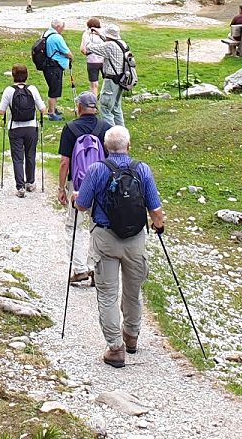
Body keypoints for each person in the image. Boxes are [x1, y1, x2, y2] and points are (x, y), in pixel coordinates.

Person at [73, 125, 165, 369]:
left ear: (105, 147)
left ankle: (115, 348)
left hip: (105, 238)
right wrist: (159, 226)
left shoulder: (96, 169)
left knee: (107, 294)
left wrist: (75, 197)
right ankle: (131, 336)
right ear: (129, 146)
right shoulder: (142, 169)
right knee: (133, 291)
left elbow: (82, 205)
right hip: (135, 240)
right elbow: (155, 210)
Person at [56, 91, 109, 285]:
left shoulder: (70, 128)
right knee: (97, 224)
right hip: (101, 183)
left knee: (74, 225)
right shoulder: (105, 127)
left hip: (77, 184)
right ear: (95, 108)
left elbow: (64, 162)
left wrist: (61, 188)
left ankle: (79, 269)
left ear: (79, 107)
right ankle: (94, 268)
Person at [0, 64, 46, 197]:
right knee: (30, 155)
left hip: (15, 129)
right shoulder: (32, 89)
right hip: (31, 128)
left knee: (18, 158)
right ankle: (30, 182)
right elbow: (43, 109)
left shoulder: (9, 90)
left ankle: (20, 187)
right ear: (26, 76)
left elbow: (1, 111)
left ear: (13, 76)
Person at [94, 23, 130, 128]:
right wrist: (99, 34)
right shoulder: (122, 43)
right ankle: (122, 133)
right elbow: (107, 43)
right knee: (116, 107)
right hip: (121, 79)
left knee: (105, 107)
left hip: (111, 80)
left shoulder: (110, 45)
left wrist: (86, 37)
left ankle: (111, 133)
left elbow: (91, 48)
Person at [38, 18, 72, 120]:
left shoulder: (46, 33)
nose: (63, 29)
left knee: (53, 87)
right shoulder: (56, 37)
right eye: (62, 27)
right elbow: (66, 52)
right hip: (54, 66)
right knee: (54, 90)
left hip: (47, 65)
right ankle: (51, 113)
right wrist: (71, 57)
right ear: (58, 27)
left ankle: (53, 109)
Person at [81, 17, 107, 95]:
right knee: (107, 81)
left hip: (92, 61)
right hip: (104, 60)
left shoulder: (86, 34)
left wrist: (88, 53)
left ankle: (94, 100)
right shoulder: (104, 33)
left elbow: (82, 49)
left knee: (94, 85)